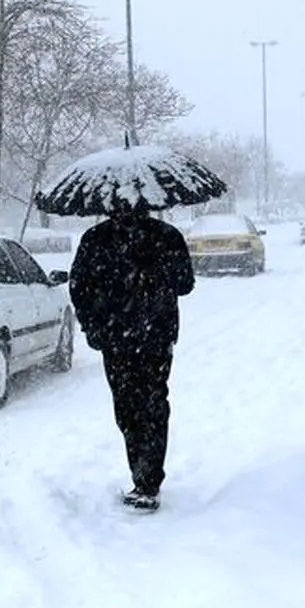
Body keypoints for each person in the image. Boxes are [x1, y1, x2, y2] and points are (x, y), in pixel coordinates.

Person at [68, 205, 195, 512]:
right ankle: (147, 479)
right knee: (151, 404)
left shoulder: (96, 238)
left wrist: (94, 326)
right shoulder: (165, 236)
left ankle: (144, 478)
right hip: (151, 338)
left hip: (122, 339)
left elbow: (78, 289)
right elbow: (185, 284)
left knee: (129, 406)